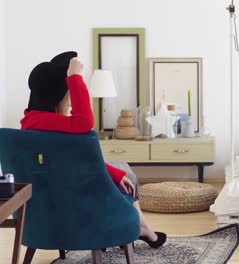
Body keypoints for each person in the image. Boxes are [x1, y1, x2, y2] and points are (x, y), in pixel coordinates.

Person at [20, 51, 167, 249]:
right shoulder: (59, 125)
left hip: (49, 198)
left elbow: (77, 159)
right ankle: (142, 228)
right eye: (68, 95)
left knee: (122, 170)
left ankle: (143, 228)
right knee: (127, 176)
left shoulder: (30, 123)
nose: (71, 100)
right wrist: (74, 77)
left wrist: (115, 173)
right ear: (58, 98)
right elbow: (85, 123)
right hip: (75, 195)